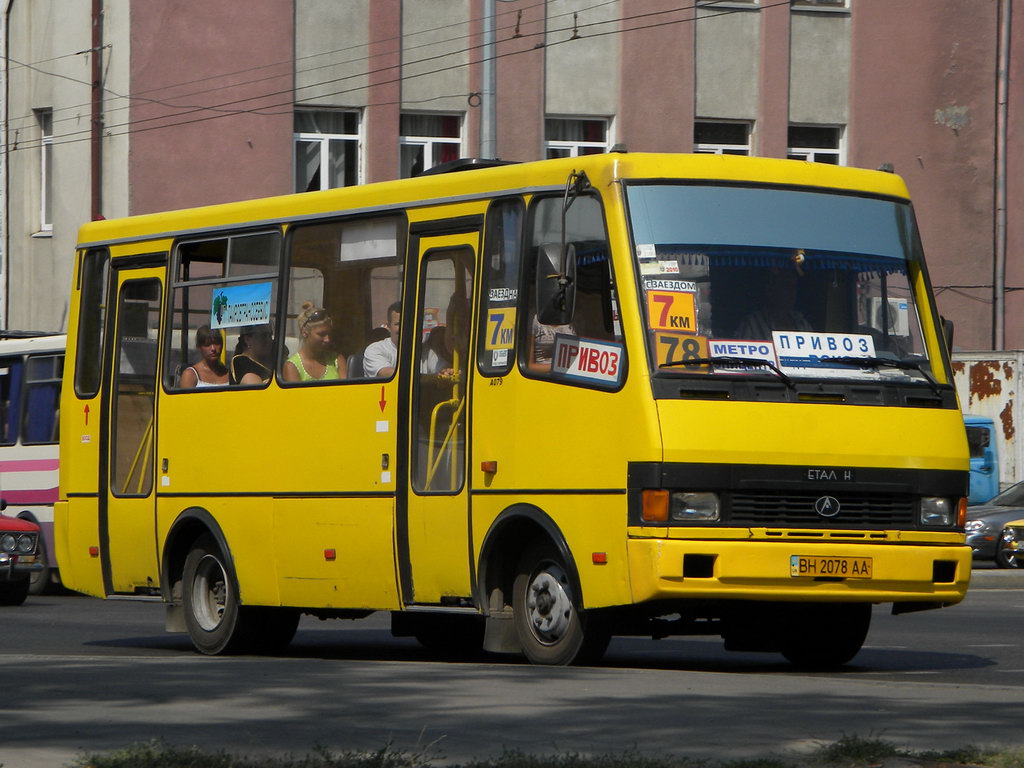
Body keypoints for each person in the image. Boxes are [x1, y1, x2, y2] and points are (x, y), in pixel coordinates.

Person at [736, 268, 812, 340]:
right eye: (786, 286)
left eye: (794, 287)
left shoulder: (802, 324)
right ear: (770, 290)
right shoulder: (753, 323)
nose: (791, 291)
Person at [283, 303, 348, 382]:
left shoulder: (337, 360)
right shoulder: (292, 367)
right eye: (322, 334)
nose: (327, 339)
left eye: (329, 334)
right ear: (304, 332)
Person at [363, 301, 401, 378]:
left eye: (409, 323)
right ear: (389, 326)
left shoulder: (424, 350)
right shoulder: (375, 350)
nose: (404, 328)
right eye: (398, 324)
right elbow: (388, 374)